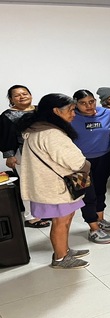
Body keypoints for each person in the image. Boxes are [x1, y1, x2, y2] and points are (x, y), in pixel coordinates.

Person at [19, 94, 91, 269]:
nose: (73, 114)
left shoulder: (37, 129)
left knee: (65, 218)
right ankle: (60, 258)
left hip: (52, 184)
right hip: (57, 186)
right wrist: (86, 165)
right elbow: (74, 161)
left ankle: (64, 250)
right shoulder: (51, 133)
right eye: (71, 110)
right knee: (61, 221)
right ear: (56, 111)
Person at [71, 89, 110, 244]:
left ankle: (100, 219)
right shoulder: (71, 117)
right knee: (86, 194)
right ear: (75, 104)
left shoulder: (107, 114)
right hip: (79, 163)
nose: (88, 106)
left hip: (103, 158)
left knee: (100, 189)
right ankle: (93, 228)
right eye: (83, 103)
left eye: (91, 102)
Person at [0, 85, 50, 228]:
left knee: (45, 183)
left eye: (25, 93)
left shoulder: (40, 110)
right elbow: (5, 137)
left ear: (30, 95)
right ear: (11, 99)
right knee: (28, 184)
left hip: (45, 152)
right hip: (23, 153)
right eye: (17, 95)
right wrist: (9, 156)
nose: (22, 97)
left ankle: (45, 212)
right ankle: (31, 217)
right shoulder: (7, 116)